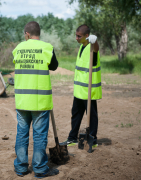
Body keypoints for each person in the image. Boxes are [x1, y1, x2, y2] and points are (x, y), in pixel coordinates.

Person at [12, 21, 59, 178]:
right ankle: (39, 168)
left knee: (22, 133)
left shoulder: (18, 49)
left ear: (27, 34)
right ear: (39, 33)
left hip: (22, 100)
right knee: (39, 135)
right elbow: (54, 66)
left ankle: (21, 167)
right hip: (40, 101)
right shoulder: (46, 48)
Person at [62, 24, 102, 147]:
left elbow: (96, 48)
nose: (76, 38)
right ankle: (72, 138)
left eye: (79, 36)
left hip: (89, 90)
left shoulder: (91, 48)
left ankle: (93, 139)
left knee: (92, 116)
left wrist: (95, 41)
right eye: (76, 35)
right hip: (79, 90)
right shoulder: (82, 47)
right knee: (76, 114)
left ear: (87, 36)